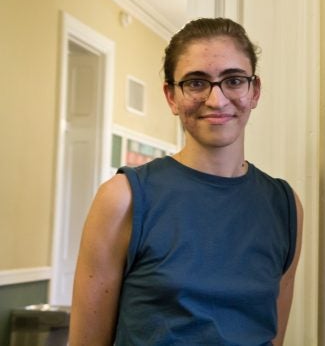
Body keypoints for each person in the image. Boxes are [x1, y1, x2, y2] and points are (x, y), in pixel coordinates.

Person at [69, 18, 303, 345]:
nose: (217, 100)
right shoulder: (124, 198)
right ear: (171, 96)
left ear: (254, 91)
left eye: (234, 80)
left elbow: (273, 336)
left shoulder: (285, 205)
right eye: (196, 83)